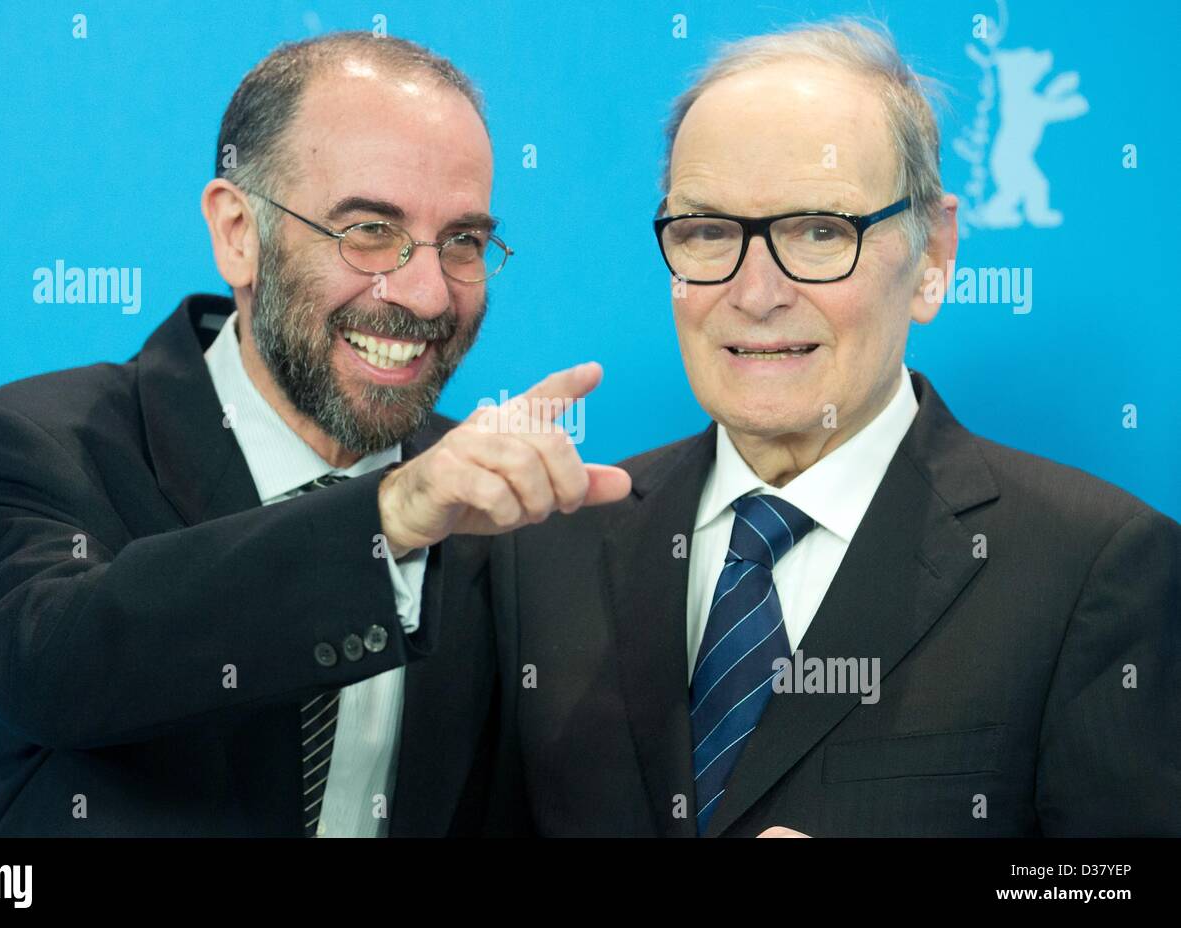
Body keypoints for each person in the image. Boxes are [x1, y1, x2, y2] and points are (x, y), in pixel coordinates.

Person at [0, 31, 628, 837]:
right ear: (237, 232)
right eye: (367, 229)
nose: (428, 294)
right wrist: (384, 519)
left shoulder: (496, 506)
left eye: (462, 241)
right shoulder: (30, 444)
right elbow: (54, 668)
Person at [485, 18, 1181, 837]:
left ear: (933, 257)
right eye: (709, 231)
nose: (756, 291)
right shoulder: (545, 548)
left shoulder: (1096, 568)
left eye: (821, 231)